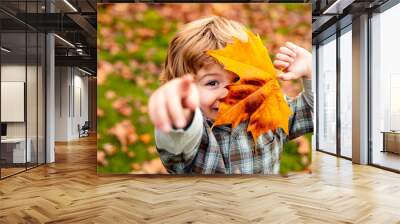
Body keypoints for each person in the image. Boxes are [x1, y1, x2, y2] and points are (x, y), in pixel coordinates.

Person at [148, 16, 313, 174]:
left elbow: (313, 112)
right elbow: (177, 138)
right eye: (212, 83)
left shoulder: (267, 108)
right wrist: (179, 111)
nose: (228, 92)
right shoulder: (193, 135)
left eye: (238, 79)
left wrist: (311, 72)